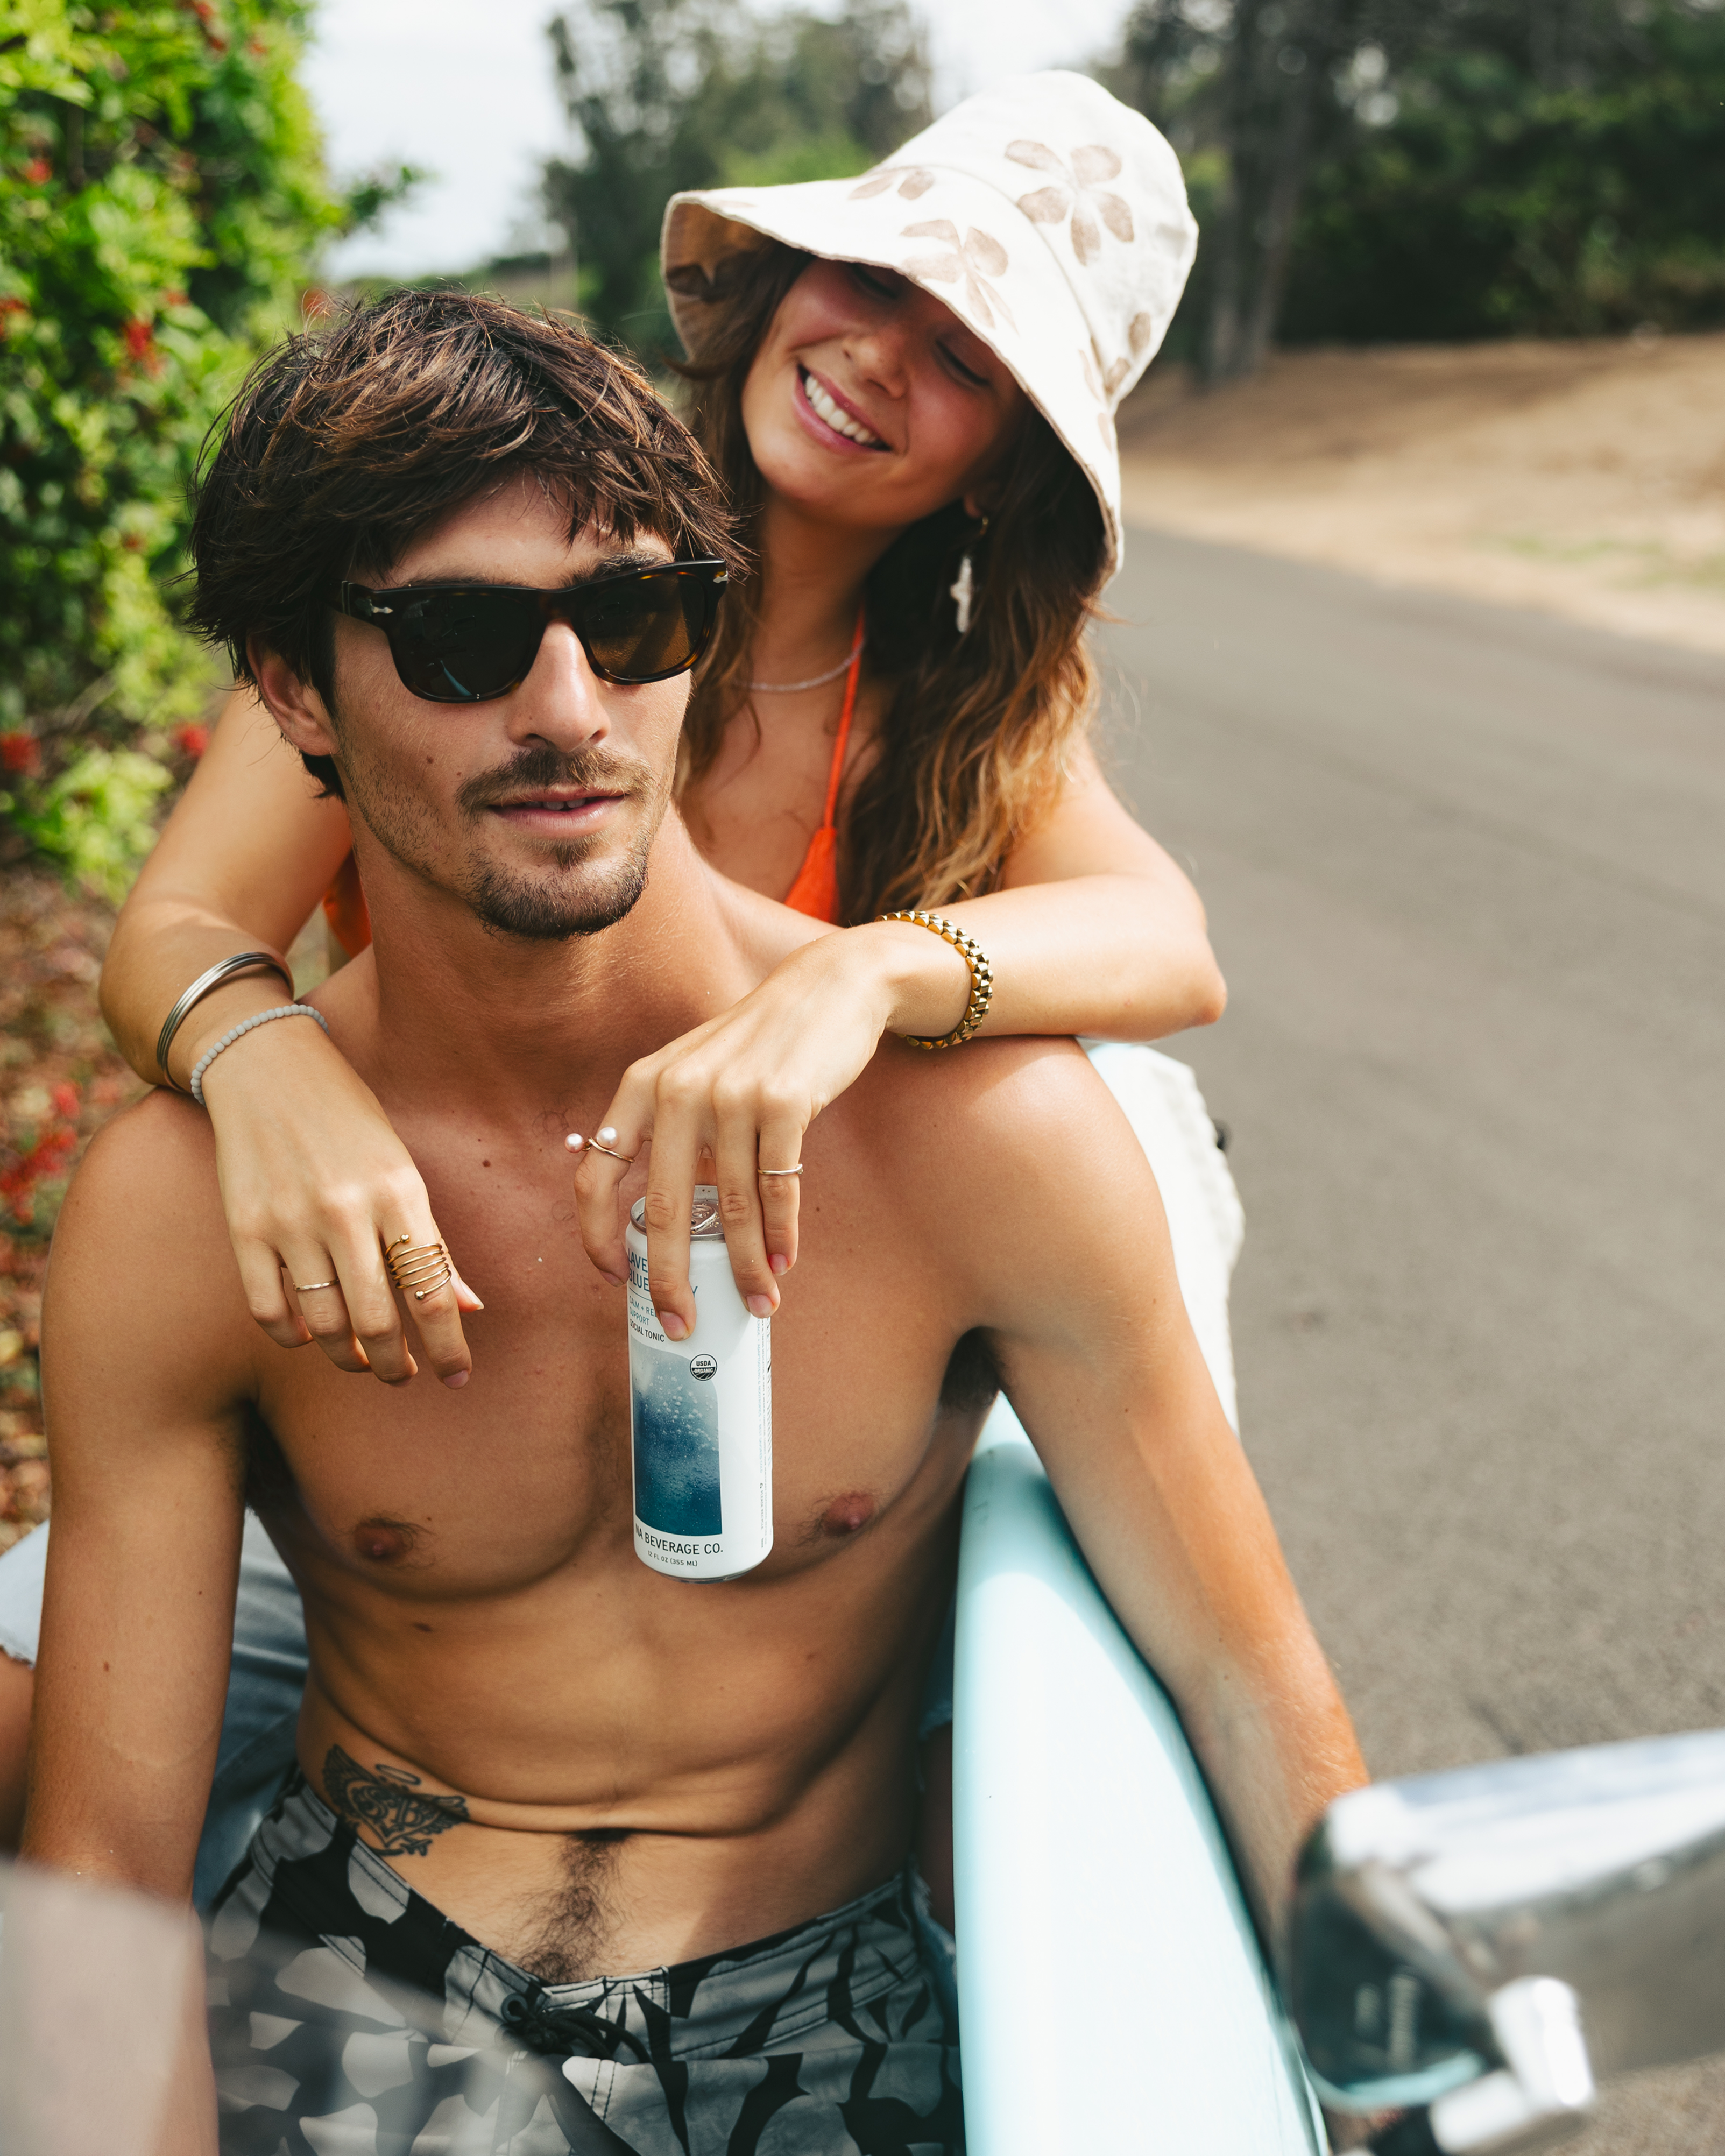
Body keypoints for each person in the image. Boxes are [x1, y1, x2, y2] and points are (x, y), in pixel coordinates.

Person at [23, 285, 1364, 2156]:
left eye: (633, 622)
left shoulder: (973, 1133)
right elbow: (101, 1870)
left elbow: (1250, 1673)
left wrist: (1400, 2078)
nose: (568, 713)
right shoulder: (192, 1207)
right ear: (295, 690)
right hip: (360, 1979)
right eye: (462, 639)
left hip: (818, 2006)